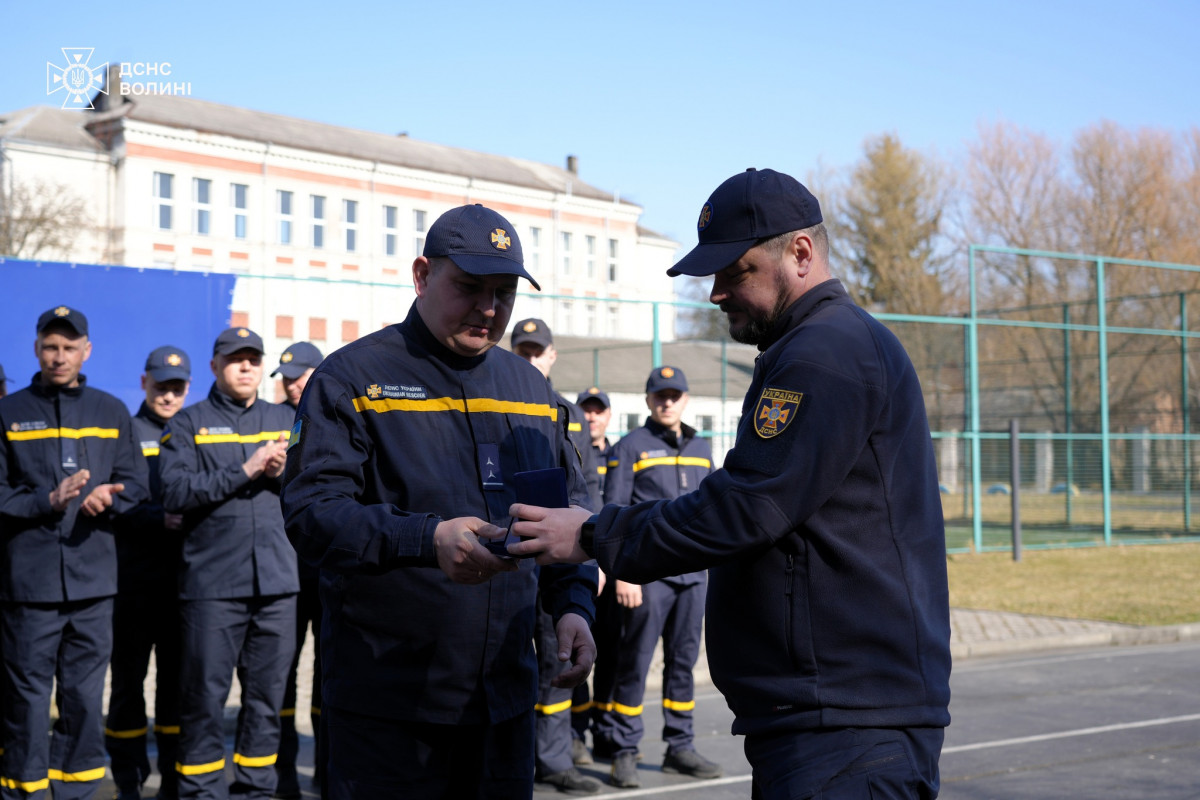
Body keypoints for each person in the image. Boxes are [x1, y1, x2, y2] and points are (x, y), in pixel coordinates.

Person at [507, 168, 953, 799]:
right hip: (832, 716)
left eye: (735, 271)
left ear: (800, 253)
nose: (716, 292)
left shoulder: (824, 352)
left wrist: (592, 535)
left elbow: (746, 508)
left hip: (847, 727)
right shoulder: (822, 345)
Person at [280, 203, 598, 800]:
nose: (488, 308)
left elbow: (564, 521)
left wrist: (575, 608)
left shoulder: (531, 390)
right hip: (389, 707)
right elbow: (311, 515)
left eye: (503, 292)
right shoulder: (352, 379)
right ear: (422, 275)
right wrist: (424, 539)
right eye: (470, 288)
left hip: (503, 702)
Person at [0, 306, 148, 800]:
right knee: (27, 699)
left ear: (87, 350)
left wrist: (108, 496)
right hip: (30, 584)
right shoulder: (9, 413)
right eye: (50, 347)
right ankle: (26, 791)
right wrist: (49, 500)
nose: (59, 357)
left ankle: (78, 791)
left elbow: (137, 484)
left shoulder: (110, 411)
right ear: (36, 349)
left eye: (69, 347)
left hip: (93, 582)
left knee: (84, 697)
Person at [158, 327, 298, 800]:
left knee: (266, 701)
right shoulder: (187, 423)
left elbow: (319, 488)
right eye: (234, 359)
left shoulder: (287, 417)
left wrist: (284, 476)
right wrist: (247, 469)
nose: (245, 367)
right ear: (215, 366)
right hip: (212, 587)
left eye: (253, 359)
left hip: (278, 585)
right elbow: (174, 492)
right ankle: (200, 791)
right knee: (203, 698)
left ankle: (257, 790)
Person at [594, 365, 722, 788]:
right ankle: (623, 748)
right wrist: (622, 574)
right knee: (635, 664)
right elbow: (612, 513)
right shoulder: (630, 446)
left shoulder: (703, 446)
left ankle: (679, 746)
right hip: (647, 576)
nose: (667, 402)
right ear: (648, 400)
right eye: (659, 395)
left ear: (685, 400)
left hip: (693, 576)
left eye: (675, 395)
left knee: (683, 663)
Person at [510, 319, 601, 796]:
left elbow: (585, 493)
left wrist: (594, 554)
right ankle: (525, 755)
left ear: (551, 356)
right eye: (521, 350)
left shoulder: (566, 416)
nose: (529, 359)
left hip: (556, 560)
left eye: (536, 351)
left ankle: (552, 756)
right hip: (501, 559)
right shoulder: (495, 406)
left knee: (556, 660)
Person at [105, 346, 192, 800]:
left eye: (177, 388)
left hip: (183, 584)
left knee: (176, 687)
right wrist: (158, 519)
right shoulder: (126, 429)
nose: (168, 395)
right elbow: (116, 499)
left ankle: (173, 780)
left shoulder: (194, 427)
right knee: (126, 684)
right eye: (160, 386)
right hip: (132, 583)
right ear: (145, 384)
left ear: (188, 388)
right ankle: (127, 777)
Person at [269, 341, 324, 799]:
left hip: (327, 575)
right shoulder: (269, 424)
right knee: (280, 678)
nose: (293, 384)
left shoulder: (335, 420)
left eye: (301, 374)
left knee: (331, 675)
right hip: (283, 578)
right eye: (287, 377)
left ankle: (328, 770)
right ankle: (284, 775)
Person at [570, 387, 614, 765]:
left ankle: (604, 732)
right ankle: (575, 734)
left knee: (610, 657)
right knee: (575, 653)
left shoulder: (618, 453)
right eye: (587, 411)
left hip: (612, 572)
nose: (592, 418)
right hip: (582, 566)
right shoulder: (572, 448)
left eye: (599, 412)